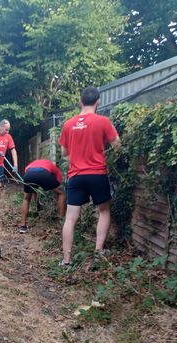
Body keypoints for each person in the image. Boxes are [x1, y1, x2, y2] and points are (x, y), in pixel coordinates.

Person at [59, 87, 122, 265]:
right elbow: (117, 145)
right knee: (104, 211)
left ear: (80, 101)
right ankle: (98, 251)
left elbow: (64, 152)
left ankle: (66, 260)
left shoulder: (68, 124)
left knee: (70, 218)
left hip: (76, 175)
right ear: (98, 102)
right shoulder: (103, 121)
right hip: (97, 174)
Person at [19, 159, 66, 233]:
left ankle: (23, 226)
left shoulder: (31, 164)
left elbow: (34, 188)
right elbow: (59, 181)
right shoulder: (52, 165)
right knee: (61, 193)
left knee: (26, 199)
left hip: (28, 174)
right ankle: (61, 221)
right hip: (43, 173)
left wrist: (37, 204)